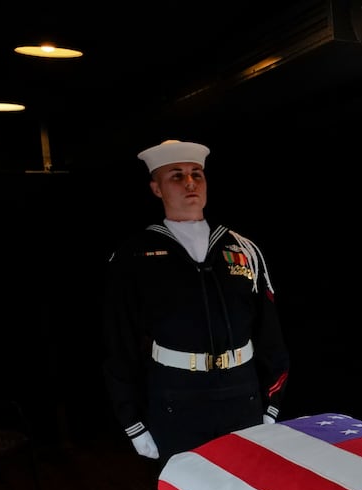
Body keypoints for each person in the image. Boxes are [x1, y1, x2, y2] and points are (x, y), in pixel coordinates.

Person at [103, 139, 290, 467]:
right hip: (177, 397)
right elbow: (118, 343)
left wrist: (271, 404)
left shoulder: (244, 249)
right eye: (176, 176)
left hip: (241, 393)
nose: (190, 183)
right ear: (156, 188)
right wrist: (131, 421)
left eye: (197, 174)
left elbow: (269, 333)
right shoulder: (134, 255)